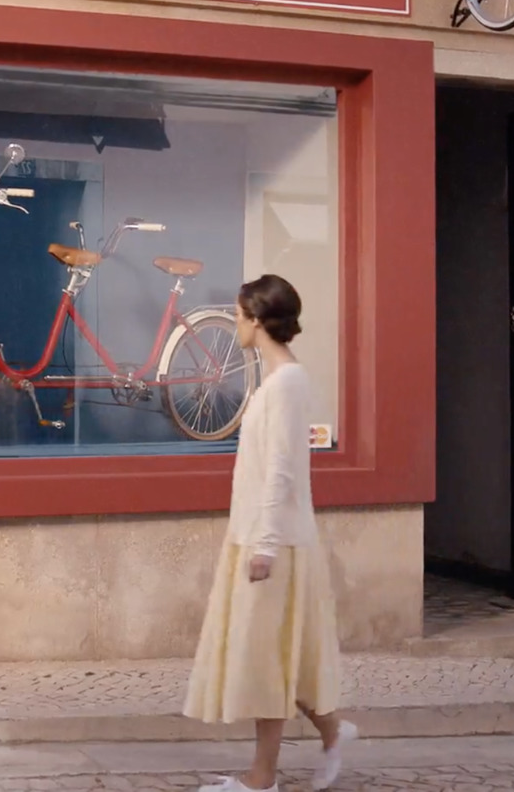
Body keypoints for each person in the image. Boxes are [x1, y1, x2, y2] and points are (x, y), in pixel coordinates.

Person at [183, 274, 355, 792]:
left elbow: (282, 468)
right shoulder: (278, 381)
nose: (235, 325)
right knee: (273, 656)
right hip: (260, 535)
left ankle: (263, 779)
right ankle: (330, 732)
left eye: (238, 316)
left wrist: (263, 546)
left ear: (257, 321)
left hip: (273, 542)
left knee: (266, 658)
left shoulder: (285, 385)